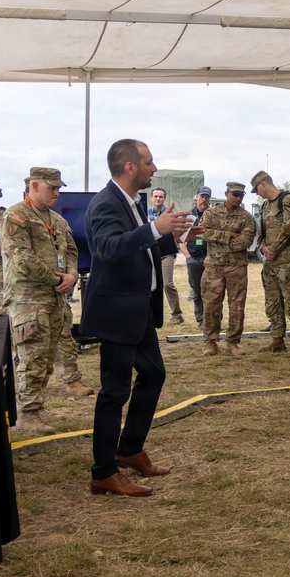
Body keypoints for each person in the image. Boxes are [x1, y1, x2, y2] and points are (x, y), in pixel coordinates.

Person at [81, 139, 197, 496]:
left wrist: (171, 235)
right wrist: (155, 229)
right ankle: (104, 472)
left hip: (138, 311)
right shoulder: (105, 203)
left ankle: (129, 450)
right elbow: (109, 248)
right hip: (117, 313)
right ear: (130, 166)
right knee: (114, 391)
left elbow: (139, 247)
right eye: (149, 162)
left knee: (153, 375)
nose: (154, 168)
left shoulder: (130, 201)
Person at [1, 167, 79, 436]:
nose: (56, 193)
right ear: (34, 186)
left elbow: (71, 251)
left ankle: (34, 410)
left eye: (58, 188)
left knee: (46, 358)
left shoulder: (57, 220)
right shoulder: (16, 216)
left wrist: (71, 275)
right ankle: (27, 414)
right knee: (31, 357)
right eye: (51, 188)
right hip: (28, 299)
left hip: (54, 298)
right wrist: (57, 279)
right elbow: (22, 259)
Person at [251, 171, 290, 356]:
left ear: (263, 183)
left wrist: (273, 249)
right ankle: (277, 339)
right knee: (272, 301)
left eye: (256, 189)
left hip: (288, 262)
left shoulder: (287, 200)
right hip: (270, 263)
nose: (257, 193)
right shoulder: (265, 205)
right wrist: (262, 247)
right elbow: (261, 231)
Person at [200, 182, 256, 356]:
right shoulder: (211, 213)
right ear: (226, 194)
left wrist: (220, 240)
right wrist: (229, 235)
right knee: (211, 304)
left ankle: (232, 342)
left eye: (241, 195)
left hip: (236, 267)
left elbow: (246, 240)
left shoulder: (247, 217)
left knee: (237, 305)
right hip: (213, 267)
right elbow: (203, 232)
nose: (238, 198)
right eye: (235, 194)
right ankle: (211, 342)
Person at [147, 187, 184, 324]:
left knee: (167, 283)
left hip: (166, 253)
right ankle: (150, 315)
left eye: (160, 197)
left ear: (164, 199)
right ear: (151, 198)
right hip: (150, 253)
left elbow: (178, 233)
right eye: (156, 196)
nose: (158, 199)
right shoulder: (144, 213)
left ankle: (177, 315)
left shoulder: (171, 215)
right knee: (150, 285)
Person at [179, 186, 212, 328]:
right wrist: (188, 257)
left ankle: (215, 319)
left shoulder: (214, 216)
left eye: (207, 197)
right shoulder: (188, 217)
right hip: (194, 258)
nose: (204, 199)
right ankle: (201, 319)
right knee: (197, 290)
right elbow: (180, 240)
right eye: (202, 196)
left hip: (211, 258)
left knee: (213, 290)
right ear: (196, 197)